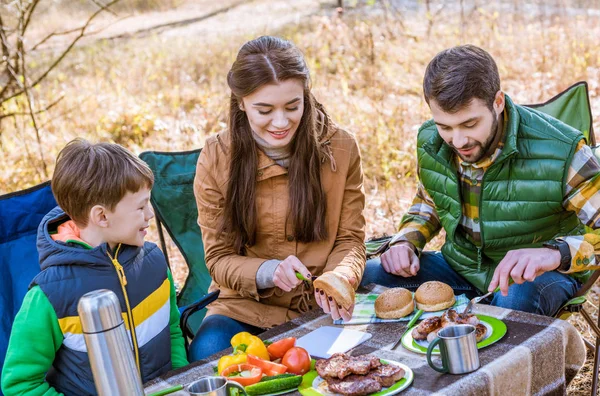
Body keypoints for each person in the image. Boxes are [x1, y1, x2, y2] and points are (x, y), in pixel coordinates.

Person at [362, 45, 600, 316]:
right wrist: (406, 241)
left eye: (470, 124)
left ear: (498, 102)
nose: (458, 141)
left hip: (537, 278)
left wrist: (555, 254)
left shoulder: (565, 152)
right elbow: (429, 202)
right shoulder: (431, 141)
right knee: (368, 276)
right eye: (445, 127)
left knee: (514, 300)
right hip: (460, 270)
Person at [191, 36, 366, 360]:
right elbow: (218, 259)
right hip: (244, 307)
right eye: (264, 110)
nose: (282, 122)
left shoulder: (341, 148)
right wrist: (266, 271)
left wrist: (338, 278)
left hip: (319, 304)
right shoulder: (216, 158)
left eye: (292, 106)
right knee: (209, 355)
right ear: (241, 103)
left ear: (305, 96)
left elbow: (350, 238)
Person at [1, 139, 188, 395]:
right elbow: (20, 385)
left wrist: (181, 382)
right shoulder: (49, 296)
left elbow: (173, 331)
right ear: (101, 216)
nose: (149, 214)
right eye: (141, 206)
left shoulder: (154, 264)